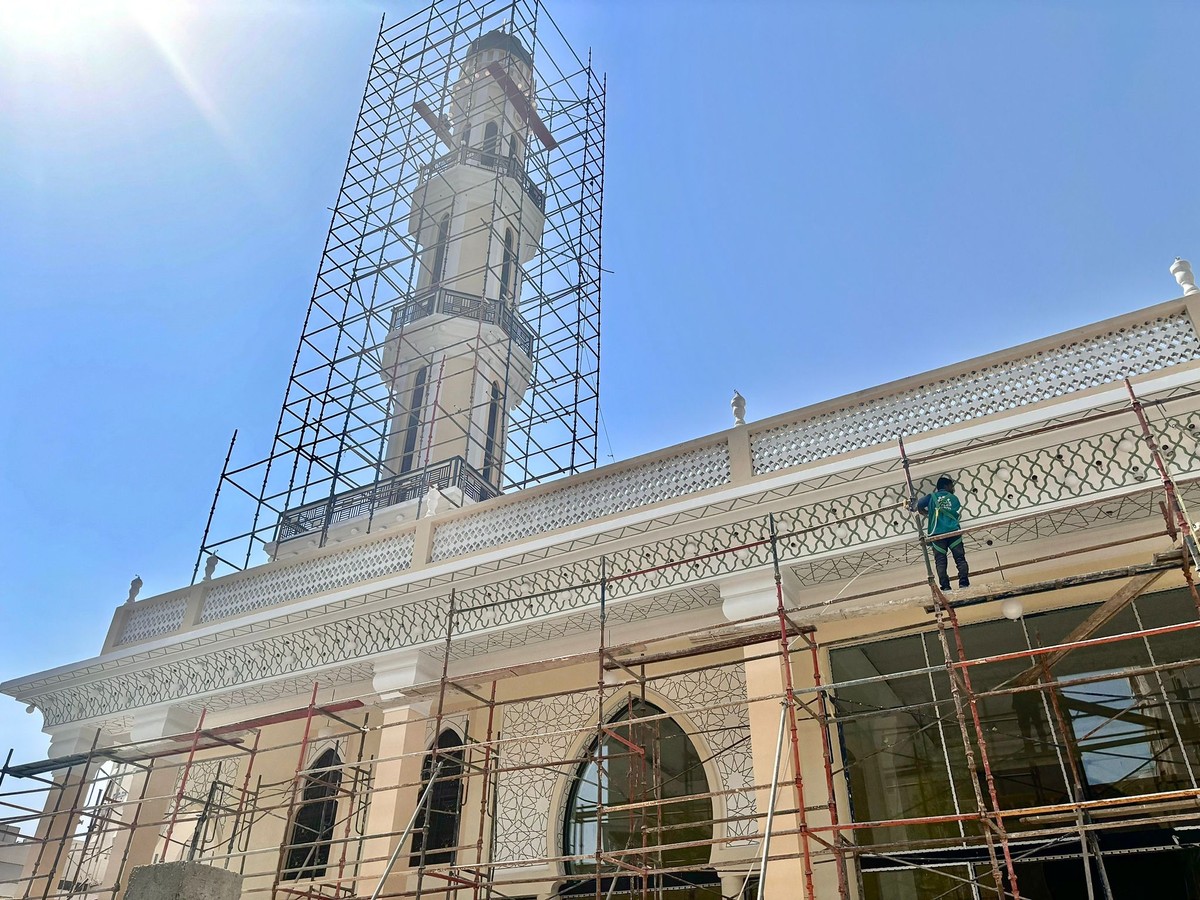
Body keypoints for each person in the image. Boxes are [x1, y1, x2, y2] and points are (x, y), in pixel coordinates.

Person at [916, 475, 969, 591]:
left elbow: (918, 505)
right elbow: (956, 510)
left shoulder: (931, 497)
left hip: (937, 535)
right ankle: (964, 583)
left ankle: (945, 587)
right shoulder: (953, 498)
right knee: (960, 559)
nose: (953, 488)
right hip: (953, 533)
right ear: (946, 486)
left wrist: (926, 513)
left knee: (940, 562)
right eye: (951, 486)